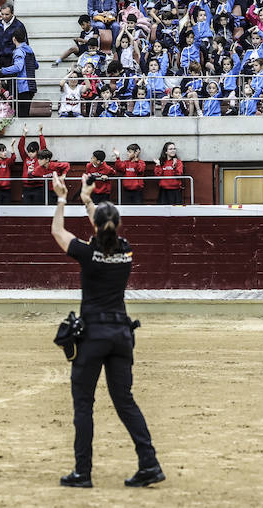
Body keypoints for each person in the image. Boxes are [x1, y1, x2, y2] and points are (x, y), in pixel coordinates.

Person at [48, 173, 163, 490]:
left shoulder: (88, 254)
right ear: (119, 226)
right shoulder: (126, 252)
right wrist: (87, 201)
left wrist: (62, 198)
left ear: (96, 226)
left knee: (83, 405)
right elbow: (104, 233)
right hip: (121, 335)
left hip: (94, 335)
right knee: (125, 402)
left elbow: (58, 230)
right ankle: (149, 464)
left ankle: (82, 473)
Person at [0, 29, 39, 118]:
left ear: (14, 39)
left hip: (22, 86)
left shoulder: (19, 51)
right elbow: (36, 65)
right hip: (31, 85)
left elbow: (18, 67)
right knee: (25, 113)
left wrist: (0, 71)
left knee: (21, 115)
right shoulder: (30, 50)